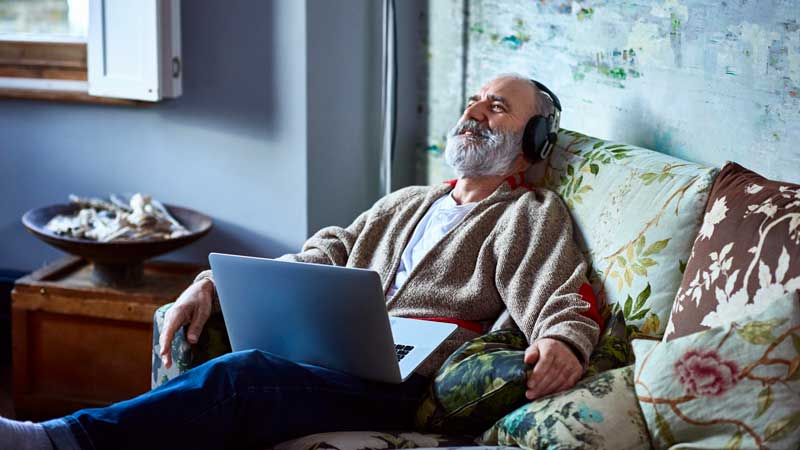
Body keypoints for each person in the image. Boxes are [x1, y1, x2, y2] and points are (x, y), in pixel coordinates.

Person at [1, 74, 601, 450]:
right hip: (336, 350)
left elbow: (559, 294)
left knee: (241, 376)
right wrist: (210, 285)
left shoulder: (529, 213)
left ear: (531, 143)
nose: (473, 113)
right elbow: (328, 250)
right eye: (474, 101)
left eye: (497, 108)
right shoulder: (410, 201)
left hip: (402, 382)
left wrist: (565, 343)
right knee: (183, 320)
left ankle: (56, 440)